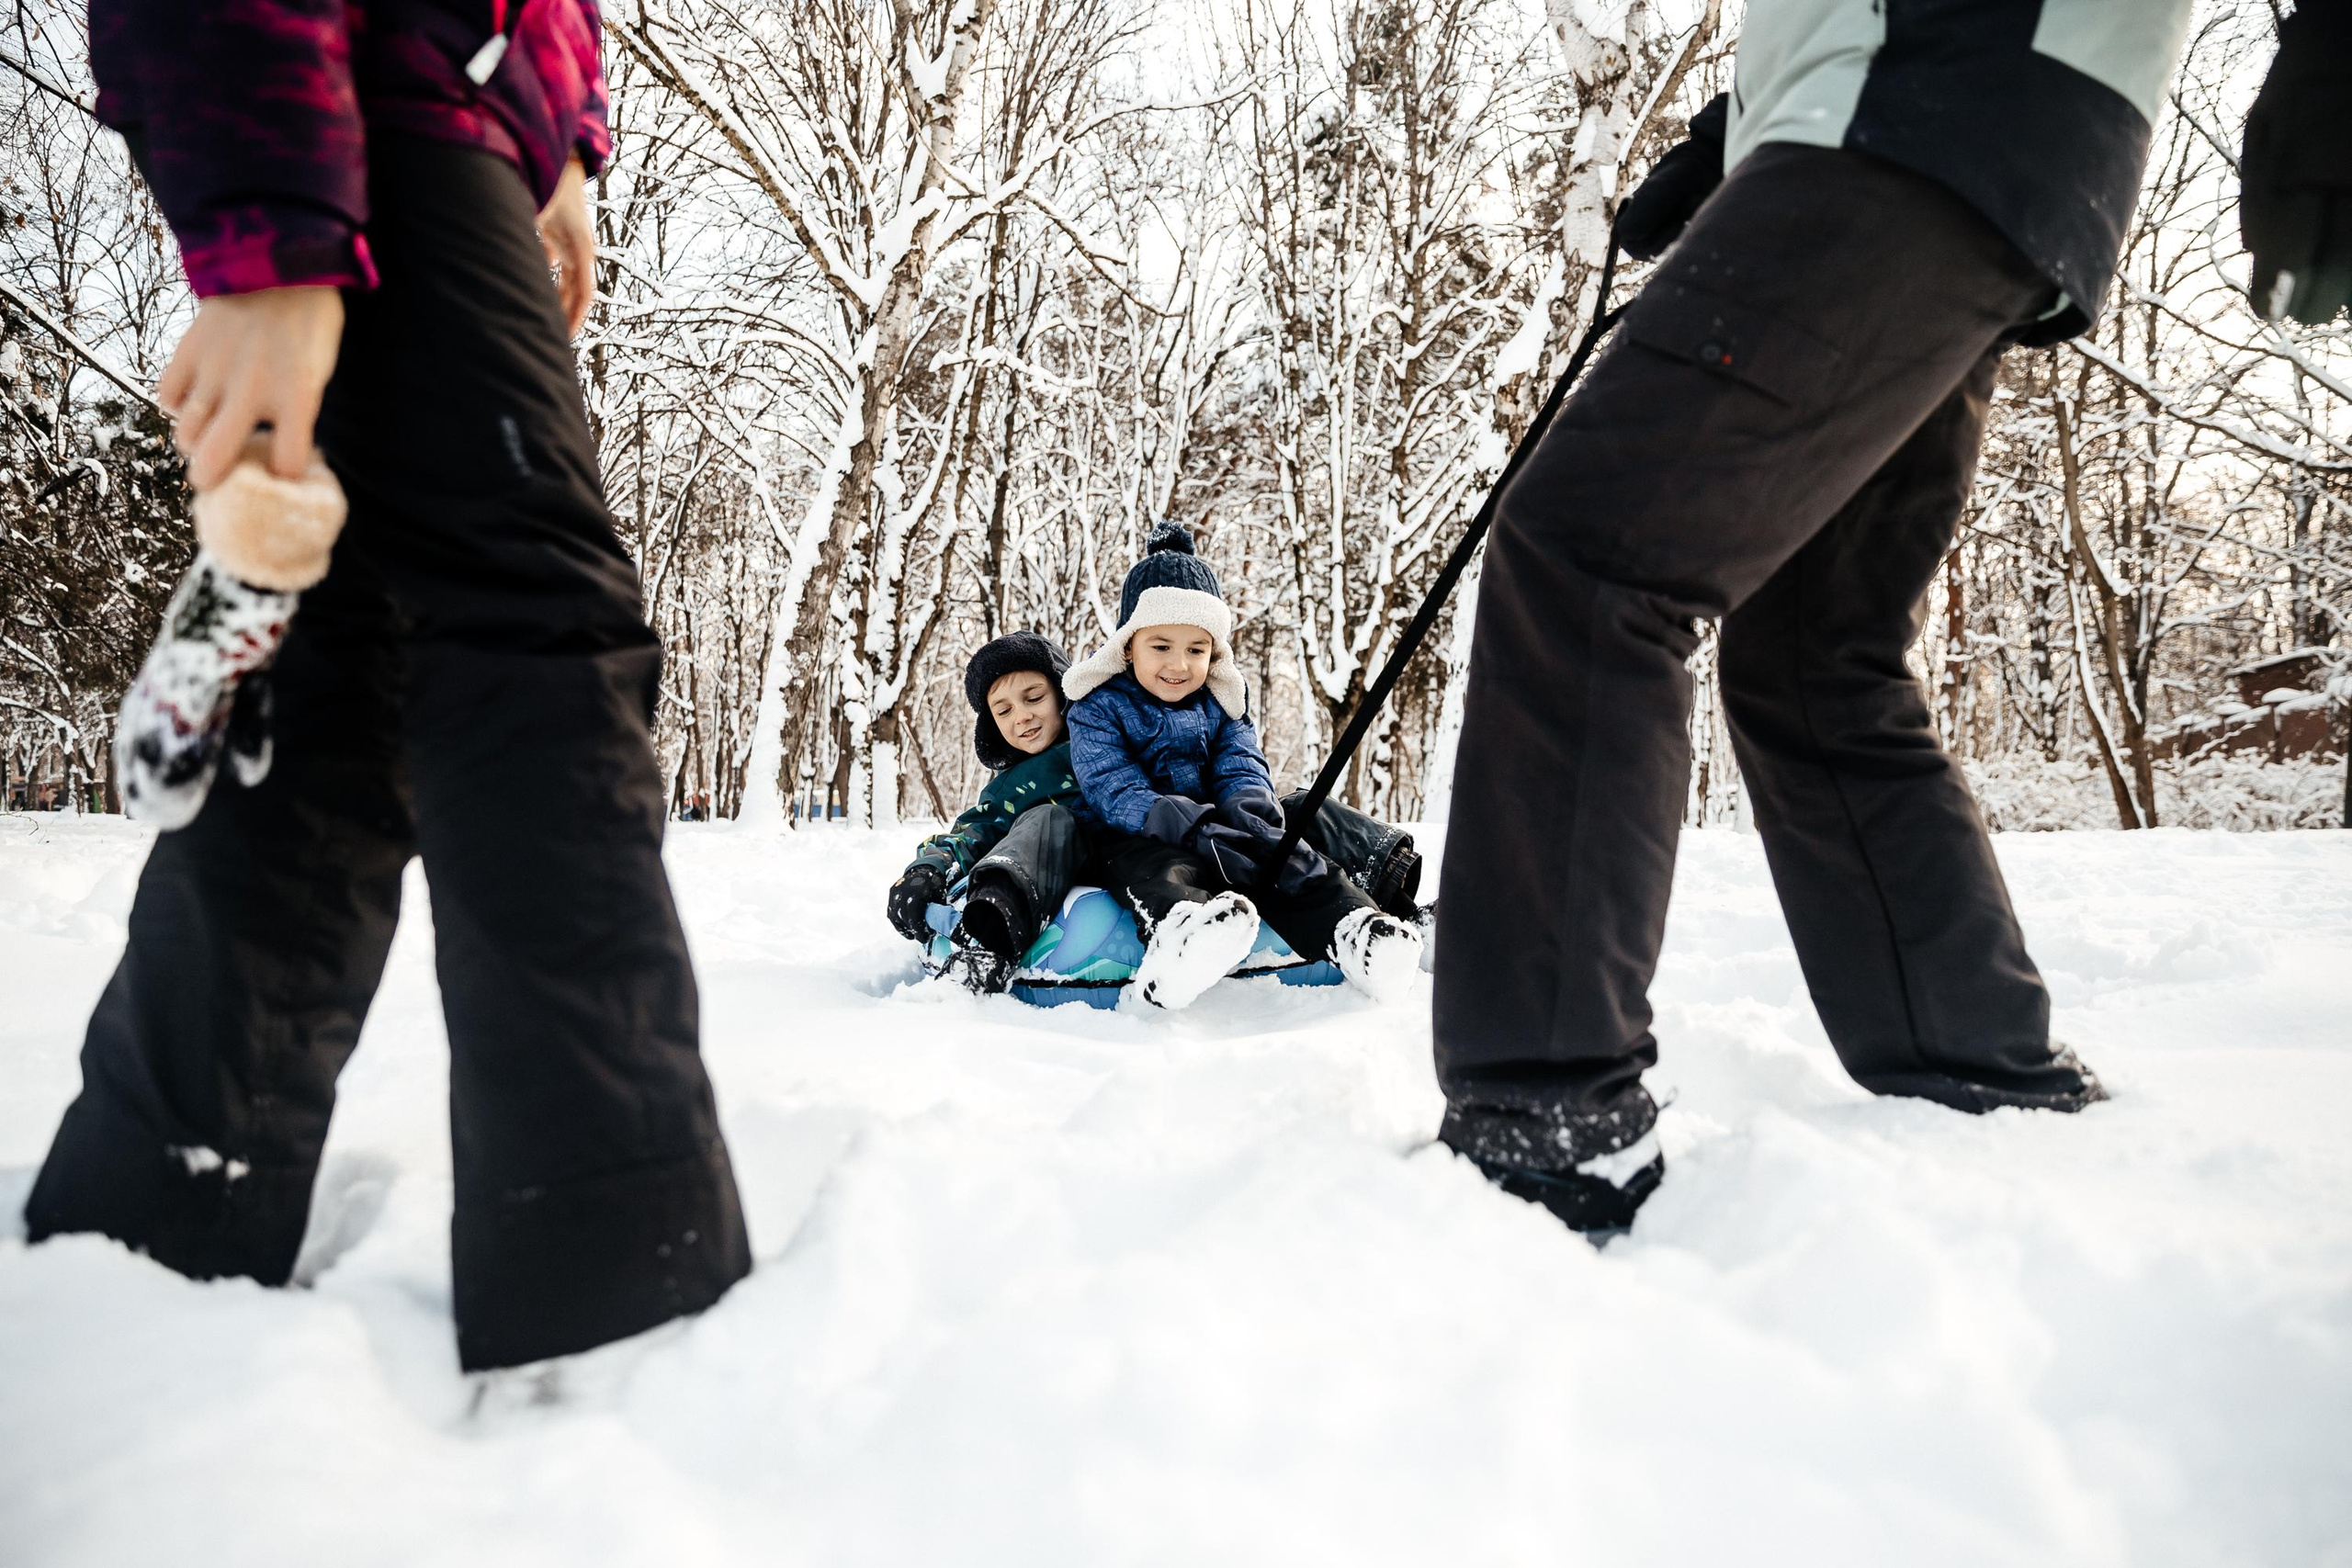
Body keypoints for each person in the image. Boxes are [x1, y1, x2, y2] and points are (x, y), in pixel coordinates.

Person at [1435, 0, 2352, 1237]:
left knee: (1598, 557)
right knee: (1816, 653)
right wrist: (1739, 129)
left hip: (1921, 104)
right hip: (1966, 133)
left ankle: (1546, 1120)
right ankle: (1976, 1071)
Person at [23, 0, 752, 1371]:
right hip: (382, 110)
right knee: (537, 633)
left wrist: (565, 154)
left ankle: (153, 1223)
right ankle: (621, 1289)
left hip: (434, 118)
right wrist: (275, 239)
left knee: (335, 707)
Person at [1063, 525, 1423, 1010]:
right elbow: (1113, 786)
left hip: (1225, 825)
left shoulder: (1222, 697)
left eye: (1196, 649)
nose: (1179, 664)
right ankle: (1184, 939)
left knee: (1297, 823)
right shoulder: (1097, 704)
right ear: (1128, 646)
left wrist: (1251, 812)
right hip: (1141, 830)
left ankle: (1362, 928)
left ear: (1214, 652)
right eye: (1161, 646)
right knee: (1152, 865)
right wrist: (1194, 827)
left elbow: (1240, 760)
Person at [887, 632, 1091, 986]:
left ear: (1062, 693)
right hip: (1045, 864)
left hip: (1122, 857)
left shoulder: (1101, 743)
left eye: (1034, 698)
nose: (1022, 717)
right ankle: (988, 935)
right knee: (1047, 818)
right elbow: (973, 831)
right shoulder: (1009, 787)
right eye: (1004, 710)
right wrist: (926, 869)